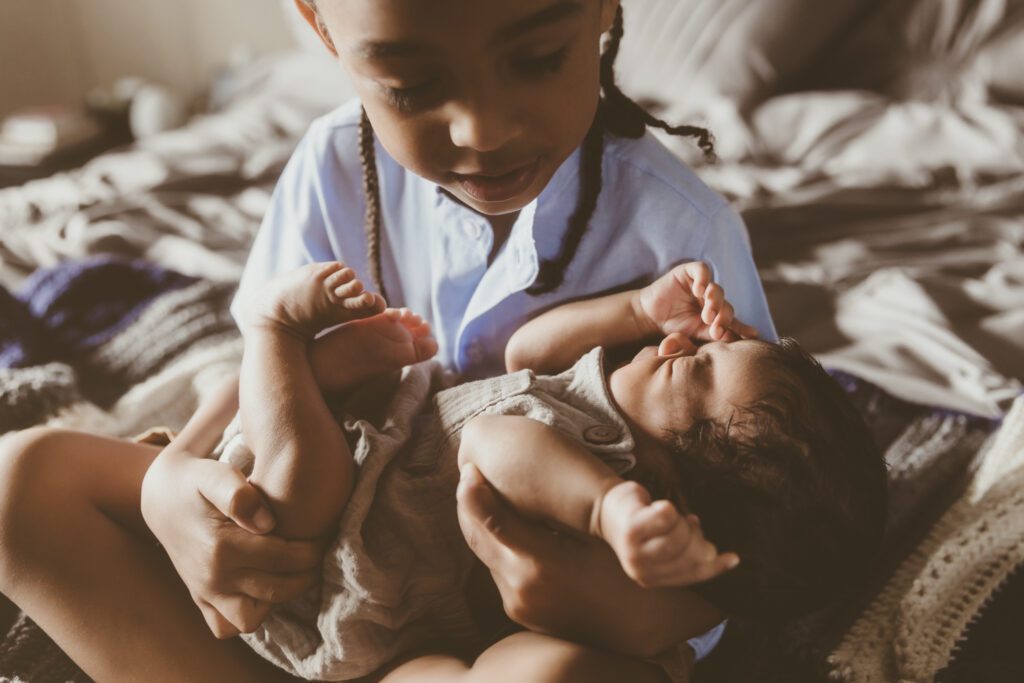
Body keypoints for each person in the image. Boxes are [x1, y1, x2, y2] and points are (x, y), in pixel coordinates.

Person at [0, 1, 784, 681]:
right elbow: (264, 364)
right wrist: (171, 481)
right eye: (411, 86)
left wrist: (616, 608)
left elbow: (758, 522)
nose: (483, 130)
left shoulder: (683, 236)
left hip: (489, 639)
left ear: (603, 6)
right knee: (20, 483)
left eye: (538, 60)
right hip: (323, 567)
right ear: (320, 26)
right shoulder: (332, 166)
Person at [221, 258, 885, 682]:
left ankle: (271, 330)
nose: (678, 339)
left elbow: (492, 441)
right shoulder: (599, 400)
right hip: (345, 511)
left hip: (358, 605)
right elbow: (524, 350)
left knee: (317, 487)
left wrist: (606, 505)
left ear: (676, 478)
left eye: (697, 366)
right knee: (314, 469)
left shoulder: (609, 476)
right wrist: (636, 309)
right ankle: (273, 339)